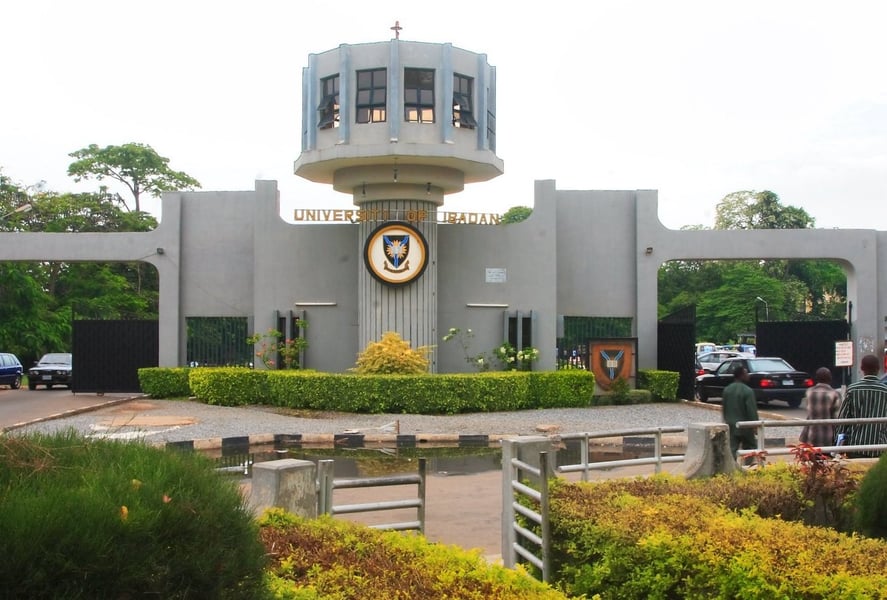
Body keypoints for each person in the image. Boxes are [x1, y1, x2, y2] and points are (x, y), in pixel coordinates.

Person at [835, 354, 887, 458]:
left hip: (856, 445)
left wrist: (838, 443)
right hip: (881, 446)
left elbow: (842, 420)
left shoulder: (853, 389)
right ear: (878, 368)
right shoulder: (885, 391)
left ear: (862, 368)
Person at [721, 365, 759, 459]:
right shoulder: (748, 391)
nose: (748, 375)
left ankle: (731, 469)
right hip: (746, 426)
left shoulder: (727, 390)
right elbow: (751, 410)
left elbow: (724, 408)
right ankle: (746, 468)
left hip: (731, 425)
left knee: (731, 449)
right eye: (746, 373)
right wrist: (755, 425)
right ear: (741, 375)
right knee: (750, 448)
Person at [799, 367, 842, 448]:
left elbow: (809, 410)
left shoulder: (809, 392)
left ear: (817, 378)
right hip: (828, 436)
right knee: (827, 459)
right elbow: (837, 413)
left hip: (811, 435)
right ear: (830, 378)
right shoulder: (834, 394)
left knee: (812, 458)